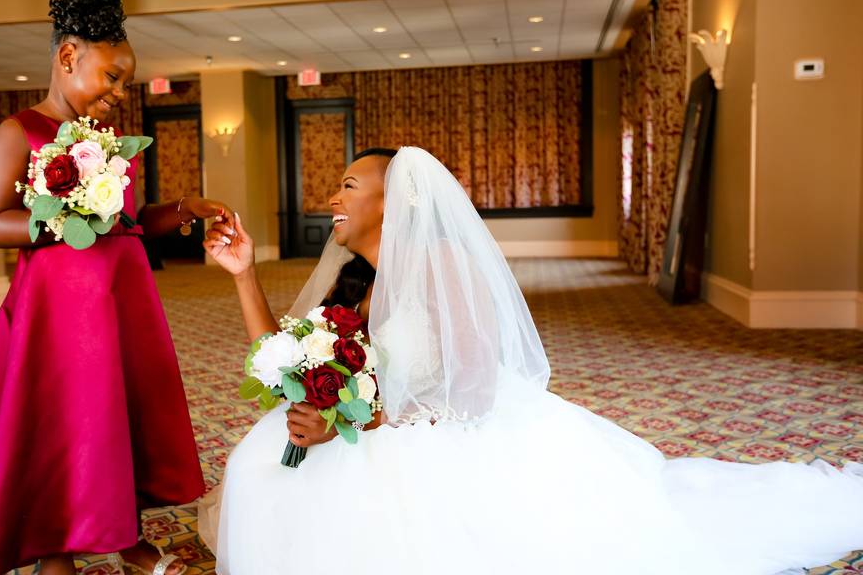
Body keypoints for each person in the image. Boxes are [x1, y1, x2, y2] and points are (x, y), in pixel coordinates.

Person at [202, 145, 863, 575]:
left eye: (349, 185)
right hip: (382, 422)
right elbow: (287, 361)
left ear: (394, 200)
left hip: (447, 439)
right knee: (265, 462)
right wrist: (243, 274)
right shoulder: (368, 281)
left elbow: (474, 389)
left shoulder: (443, 264)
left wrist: (355, 418)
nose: (332, 199)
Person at [0, 0, 229, 575]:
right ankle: (55, 550)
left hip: (118, 309)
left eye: (126, 80)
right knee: (54, 429)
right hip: (53, 318)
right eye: (113, 77)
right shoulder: (18, 132)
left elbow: (126, 222)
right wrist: (59, 217)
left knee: (114, 422)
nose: (122, 92)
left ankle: (126, 535)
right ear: (69, 57)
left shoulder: (106, 144)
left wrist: (183, 209)